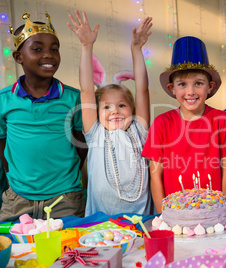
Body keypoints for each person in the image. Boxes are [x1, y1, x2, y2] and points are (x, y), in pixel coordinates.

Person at [0, 11, 87, 221]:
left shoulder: (73, 98)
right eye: (37, 49)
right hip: (17, 199)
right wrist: (15, 177)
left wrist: (66, 178)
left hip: (65, 198)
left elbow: (81, 143)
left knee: (68, 250)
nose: (48, 54)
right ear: (18, 57)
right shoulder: (4, 100)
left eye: (54, 49)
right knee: (14, 250)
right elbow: (2, 144)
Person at [142, 36, 226, 213]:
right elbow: (155, 175)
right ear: (172, 88)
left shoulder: (224, 121)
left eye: (198, 83)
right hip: (174, 214)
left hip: (213, 211)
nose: (190, 92)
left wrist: (221, 212)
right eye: (182, 84)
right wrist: (163, 215)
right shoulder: (161, 123)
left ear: (210, 87)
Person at [68, 11, 153, 216]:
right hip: (102, 222)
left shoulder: (139, 129)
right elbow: (87, 90)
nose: (115, 110)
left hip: (141, 219)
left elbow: (142, 89)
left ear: (132, 110)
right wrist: (86, 46)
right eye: (106, 107)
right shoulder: (95, 133)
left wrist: (136, 49)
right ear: (96, 113)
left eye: (122, 106)